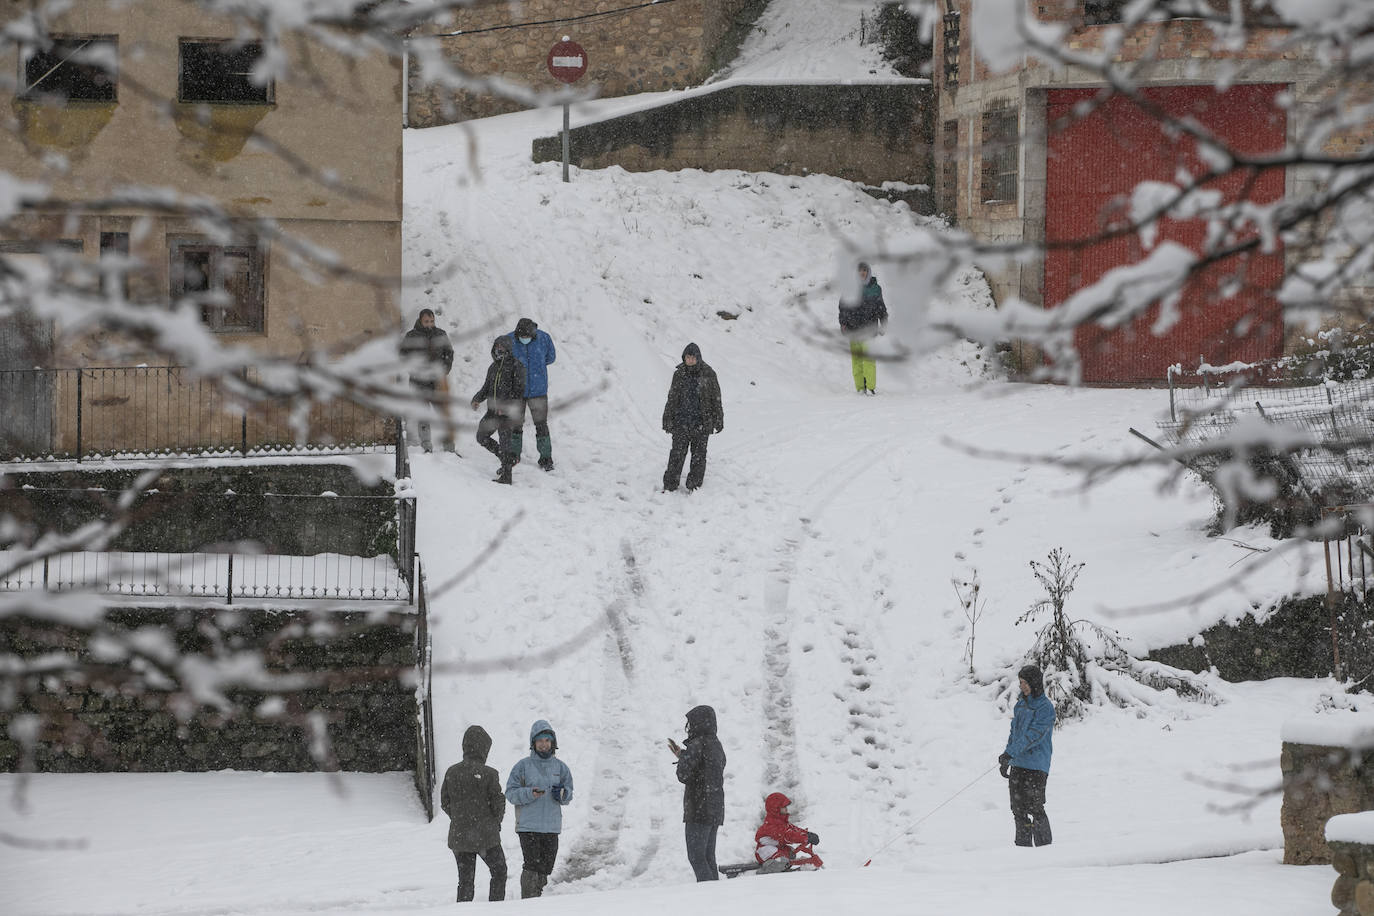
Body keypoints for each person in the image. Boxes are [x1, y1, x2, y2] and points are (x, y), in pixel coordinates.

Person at [505, 719, 574, 898]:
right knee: (531, 865)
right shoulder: (522, 766)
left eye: (547, 740)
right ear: (533, 743)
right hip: (528, 826)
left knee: (546, 866)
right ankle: (529, 901)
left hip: (551, 826)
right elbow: (511, 793)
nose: (544, 745)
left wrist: (563, 794)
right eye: (540, 741)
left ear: (553, 743)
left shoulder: (561, 767)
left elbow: (569, 793)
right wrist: (529, 793)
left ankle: (538, 895)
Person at [439, 725, 507, 902]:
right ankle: (496, 910)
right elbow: (498, 803)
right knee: (499, 872)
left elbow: (444, 801)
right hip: (487, 836)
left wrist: (459, 817)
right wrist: (495, 822)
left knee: (465, 882)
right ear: (484, 748)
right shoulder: (489, 774)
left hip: (460, 835)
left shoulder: (452, 772)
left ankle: (464, 911)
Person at [667, 705, 726, 882]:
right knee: (708, 857)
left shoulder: (697, 744)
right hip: (715, 806)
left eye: (690, 723)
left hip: (699, 808)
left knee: (696, 857)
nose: (689, 727)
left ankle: (708, 898)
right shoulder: (715, 744)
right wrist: (684, 754)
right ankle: (715, 895)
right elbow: (705, 768)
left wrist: (684, 758)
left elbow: (683, 775)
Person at [999, 664, 1055, 847]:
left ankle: (1044, 847)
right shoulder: (1020, 705)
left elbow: (1034, 736)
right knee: (1018, 809)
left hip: (1036, 766)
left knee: (1035, 807)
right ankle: (1023, 848)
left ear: (1035, 683)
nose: (1022, 686)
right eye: (1021, 682)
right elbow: (1014, 733)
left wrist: (1012, 752)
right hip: (1019, 764)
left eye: (1026, 682)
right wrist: (1007, 756)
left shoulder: (1045, 708)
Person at [660, 342, 724, 492]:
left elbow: (716, 399)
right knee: (676, 454)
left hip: (701, 423)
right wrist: (667, 418)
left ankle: (693, 484)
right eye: (687, 357)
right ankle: (670, 484)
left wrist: (718, 419)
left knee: (698, 456)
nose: (689, 360)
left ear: (698, 358)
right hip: (681, 423)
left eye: (692, 357)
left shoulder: (708, 374)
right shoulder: (679, 374)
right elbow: (672, 398)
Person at [470, 335, 527, 485]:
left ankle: (507, 476)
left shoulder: (517, 366)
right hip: (492, 411)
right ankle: (505, 459)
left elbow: (519, 392)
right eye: (497, 346)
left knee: (505, 443)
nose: (499, 349)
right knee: (481, 437)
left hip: (507, 414)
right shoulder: (493, 367)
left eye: (502, 347)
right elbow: (486, 387)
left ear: (508, 348)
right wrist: (477, 398)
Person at [399, 308, 455, 451]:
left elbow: (449, 354)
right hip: (419, 382)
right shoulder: (411, 336)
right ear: (420, 320)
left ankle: (449, 447)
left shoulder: (441, 334)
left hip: (438, 382)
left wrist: (444, 370)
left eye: (431, 321)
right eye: (426, 321)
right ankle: (426, 446)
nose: (429, 324)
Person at [506, 317, 558, 471]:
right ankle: (513, 454)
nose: (525, 339)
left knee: (541, 424)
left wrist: (537, 368)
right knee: (515, 424)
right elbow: (500, 359)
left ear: (533, 334)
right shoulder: (509, 340)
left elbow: (551, 357)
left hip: (538, 390)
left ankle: (546, 458)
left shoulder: (544, 338)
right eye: (522, 337)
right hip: (516, 391)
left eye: (528, 337)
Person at [837, 261, 888, 395]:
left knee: (869, 359)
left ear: (868, 272)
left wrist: (884, 323)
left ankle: (870, 387)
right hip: (853, 329)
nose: (862, 273)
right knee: (857, 361)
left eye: (865, 270)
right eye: (860, 271)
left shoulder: (875, 288)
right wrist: (843, 324)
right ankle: (860, 388)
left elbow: (881, 307)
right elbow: (842, 308)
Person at [753, 791, 822, 873]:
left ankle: (782, 867)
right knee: (781, 860)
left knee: (790, 853)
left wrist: (807, 834)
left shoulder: (781, 822)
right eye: (783, 807)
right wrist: (805, 838)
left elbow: (793, 829)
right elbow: (786, 835)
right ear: (776, 808)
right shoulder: (771, 824)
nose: (786, 809)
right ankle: (765, 872)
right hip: (765, 851)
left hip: (776, 848)